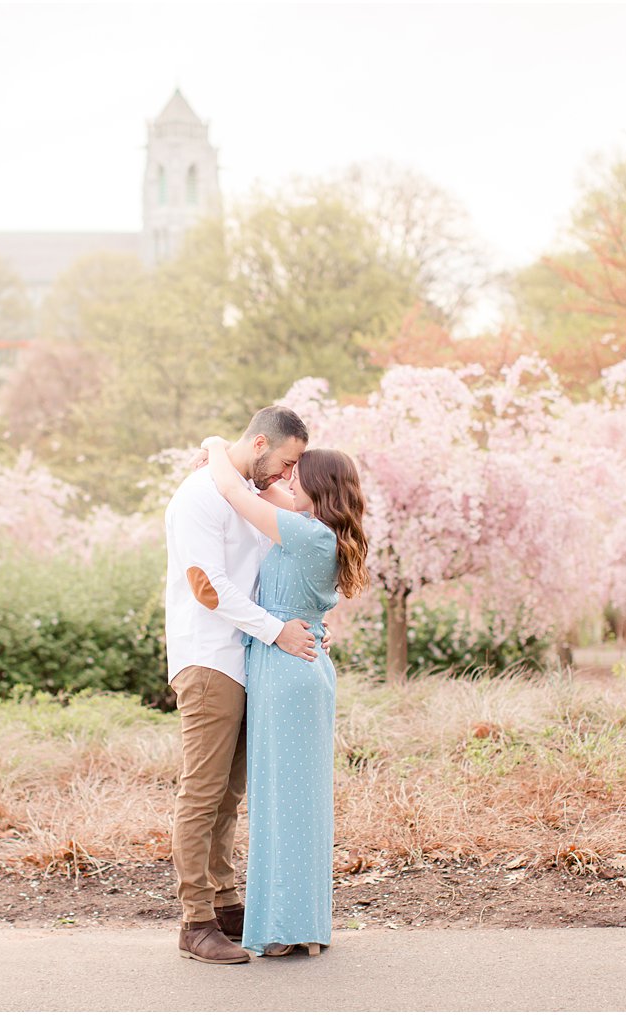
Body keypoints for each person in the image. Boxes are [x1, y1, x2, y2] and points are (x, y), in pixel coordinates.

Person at [200, 434, 370, 959]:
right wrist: (272, 476)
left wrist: (213, 446)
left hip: (285, 671)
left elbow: (233, 489)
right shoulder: (317, 532)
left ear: (317, 488)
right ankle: (302, 924)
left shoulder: (306, 534)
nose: (285, 479)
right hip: (300, 667)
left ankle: (285, 926)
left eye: (297, 474)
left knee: (283, 803)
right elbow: (266, 491)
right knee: (295, 802)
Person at [163, 406, 319, 965]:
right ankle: (194, 922)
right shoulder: (199, 497)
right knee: (202, 794)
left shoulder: (237, 488)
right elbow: (210, 588)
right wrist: (278, 632)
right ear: (259, 444)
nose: (284, 474)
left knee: (229, 795)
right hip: (209, 659)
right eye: (284, 462)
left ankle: (227, 905)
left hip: (245, 657)